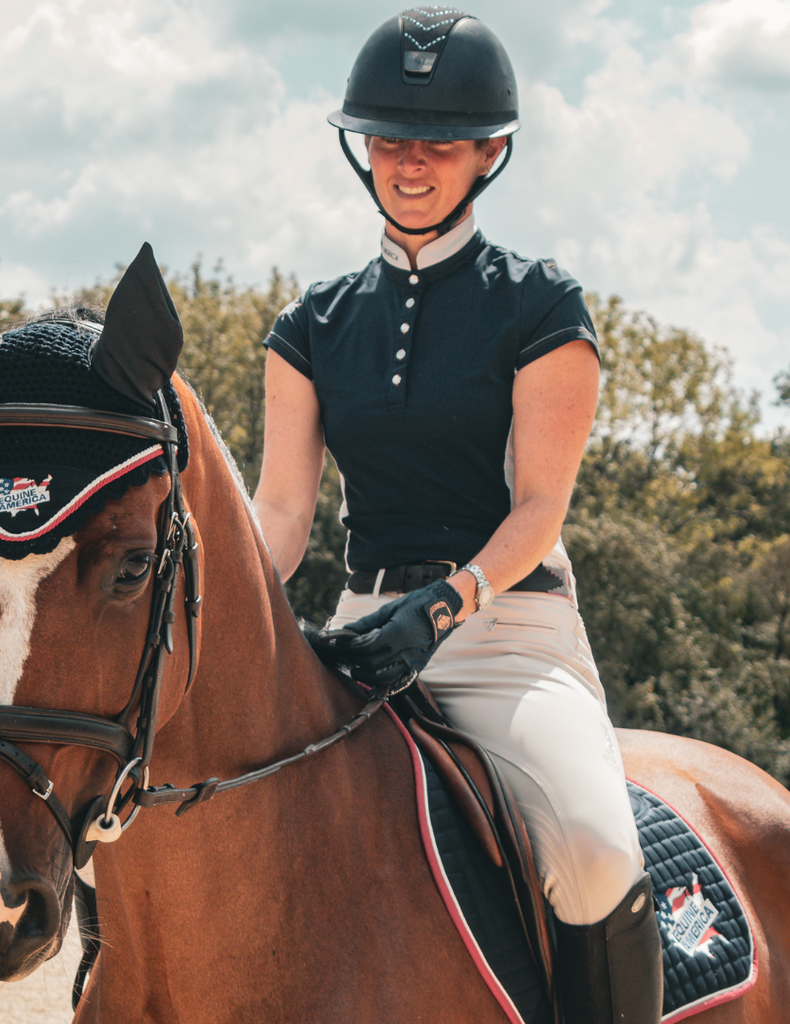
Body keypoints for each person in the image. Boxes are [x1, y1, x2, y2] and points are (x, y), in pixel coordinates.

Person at [252, 8, 663, 1024]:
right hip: (356, 629)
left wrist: (449, 602)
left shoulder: (539, 307)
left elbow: (538, 508)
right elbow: (282, 518)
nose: (410, 162)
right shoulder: (311, 326)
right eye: (389, 139)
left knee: (594, 848)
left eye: (437, 143)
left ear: (490, 153)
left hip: (508, 631)